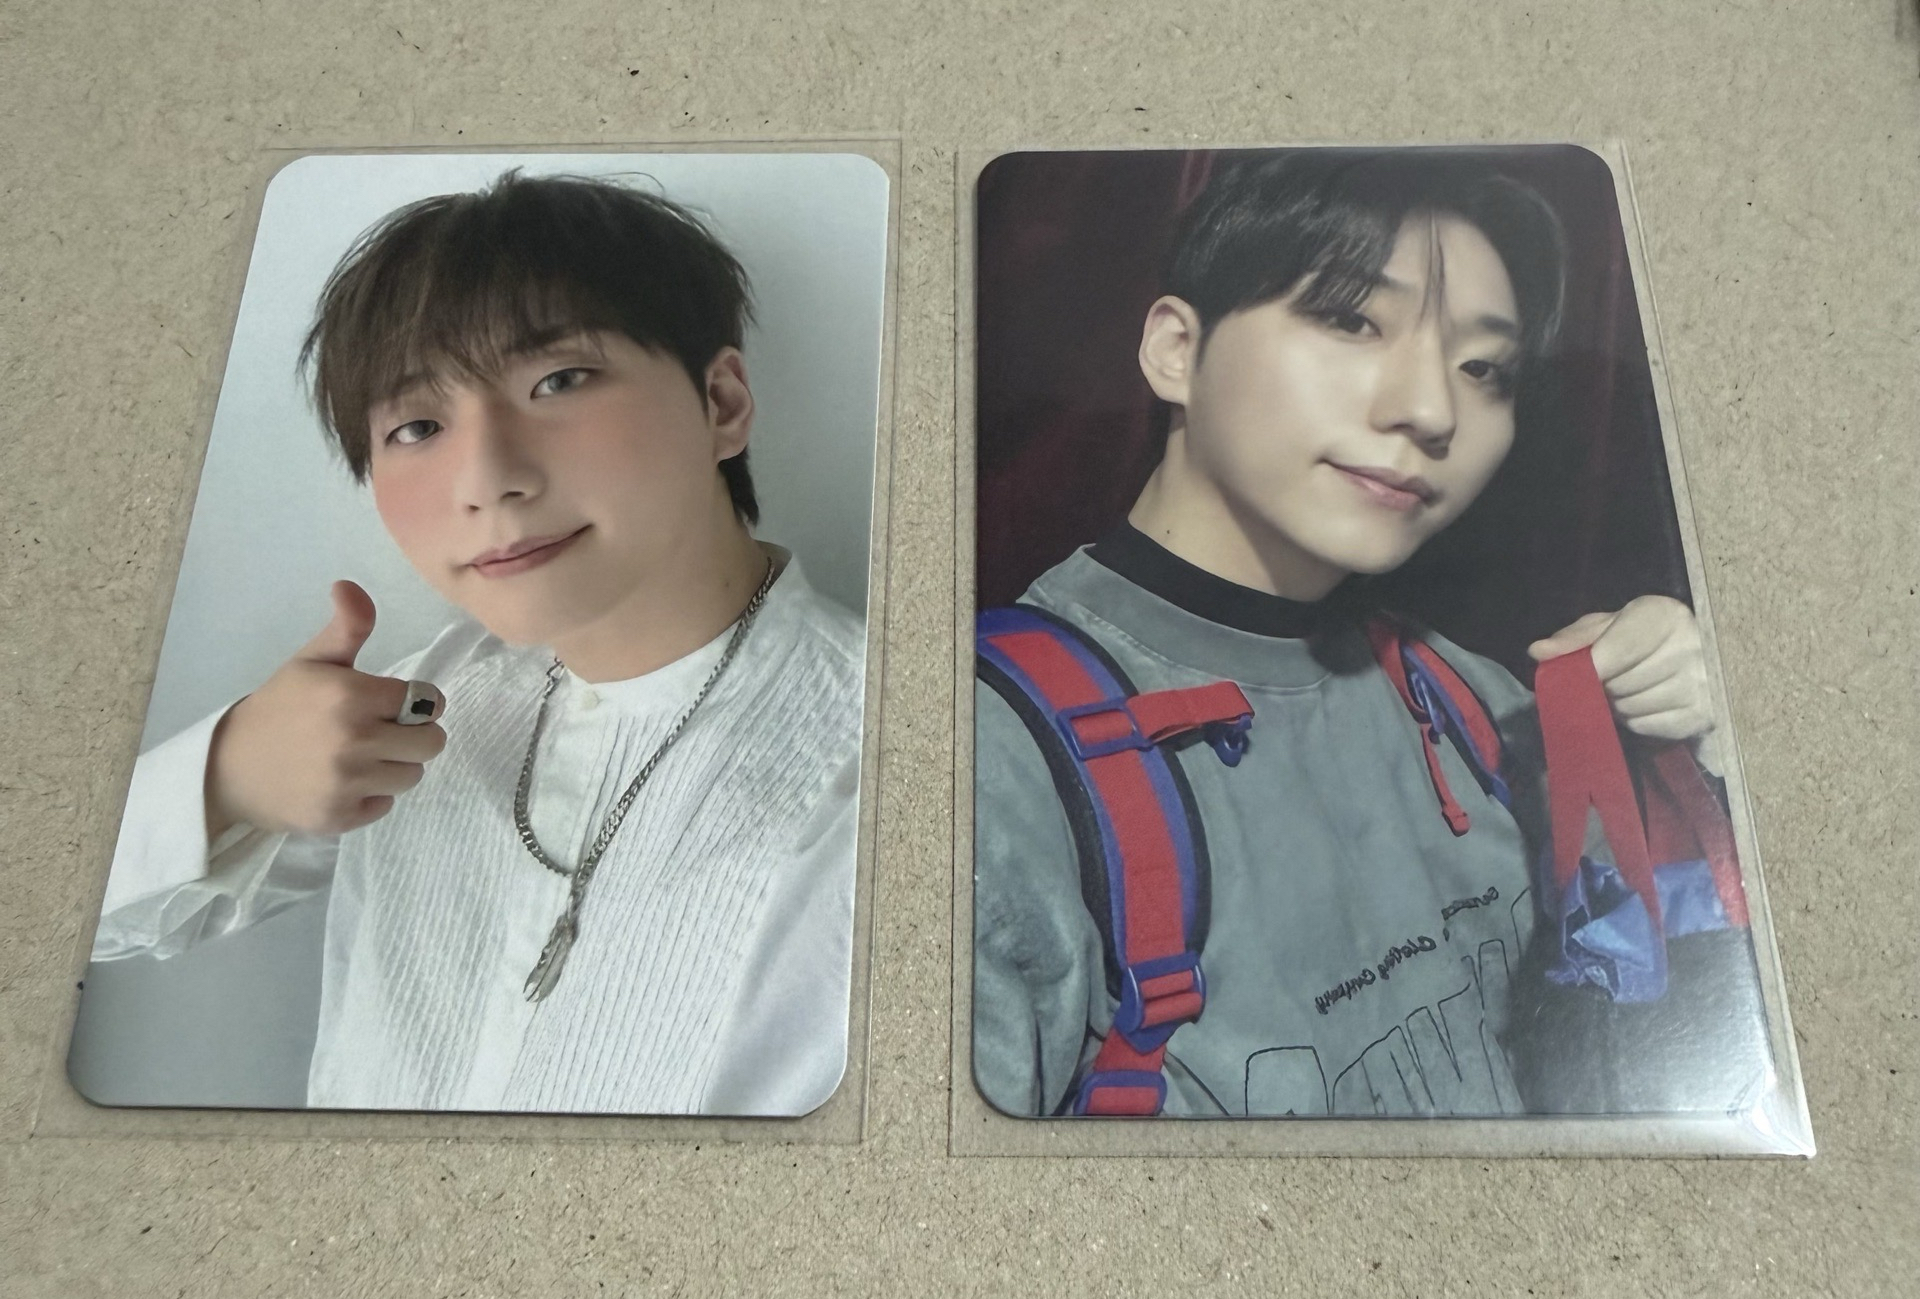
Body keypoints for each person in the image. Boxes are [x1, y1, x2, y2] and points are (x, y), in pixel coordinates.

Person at [92, 171, 866, 1116]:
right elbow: (77, 923)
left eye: (559, 381)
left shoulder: (878, 770)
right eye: (418, 426)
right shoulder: (418, 706)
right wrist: (226, 778)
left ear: (722, 402)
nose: (488, 478)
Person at [972, 150, 1724, 1118]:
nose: (1431, 410)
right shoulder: (991, 765)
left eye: (1484, 368)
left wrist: (1688, 745)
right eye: (1352, 319)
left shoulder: (1470, 698)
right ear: (1175, 350)